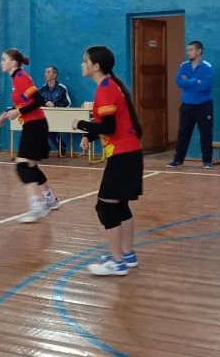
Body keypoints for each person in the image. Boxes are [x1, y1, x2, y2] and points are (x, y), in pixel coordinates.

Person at [73, 46, 144, 276]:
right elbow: (113, 125)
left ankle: (117, 262)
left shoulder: (105, 89)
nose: (82, 65)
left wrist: (81, 125)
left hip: (123, 157)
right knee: (120, 206)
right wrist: (90, 135)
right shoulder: (110, 86)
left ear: (96, 66)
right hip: (129, 154)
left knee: (105, 207)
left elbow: (109, 127)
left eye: (85, 61)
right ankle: (127, 255)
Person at [0, 48, 60, 223]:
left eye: (4, 59)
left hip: (35, 125)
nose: (1, 62)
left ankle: (37, 207)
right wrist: (6, 114)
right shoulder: (16, 79)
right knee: (31, 166)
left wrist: (19, 112)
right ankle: (50, 199)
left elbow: (39, 100)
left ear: (13, 63)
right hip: (34, 125)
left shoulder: (21, 77)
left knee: (22, 166)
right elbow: (24, 103)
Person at [168, 41, 214, 169]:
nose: (188, 52)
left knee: (205, 134)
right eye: (188, 50)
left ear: (199, 51)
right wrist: (195, 81)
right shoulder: (183, 66)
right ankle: (178, 160)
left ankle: (207, 161)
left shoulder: (207, 66)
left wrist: (188, 82)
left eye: (191, 50)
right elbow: (179, 82)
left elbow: (206, 86)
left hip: (204, 105)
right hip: (187, 105)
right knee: (183, 133)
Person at [38, 65, 72, 152]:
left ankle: (61, 147)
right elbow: (37, 102)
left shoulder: (62, 88)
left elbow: (68, 103)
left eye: (48, 72)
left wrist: (55, 105)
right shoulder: (42, 89)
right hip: (45, 117)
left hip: (60, 116)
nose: (45, 74)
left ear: (54, 75)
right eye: (45, 72)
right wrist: (45, 103)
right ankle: (50, 147)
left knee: (49, 127)